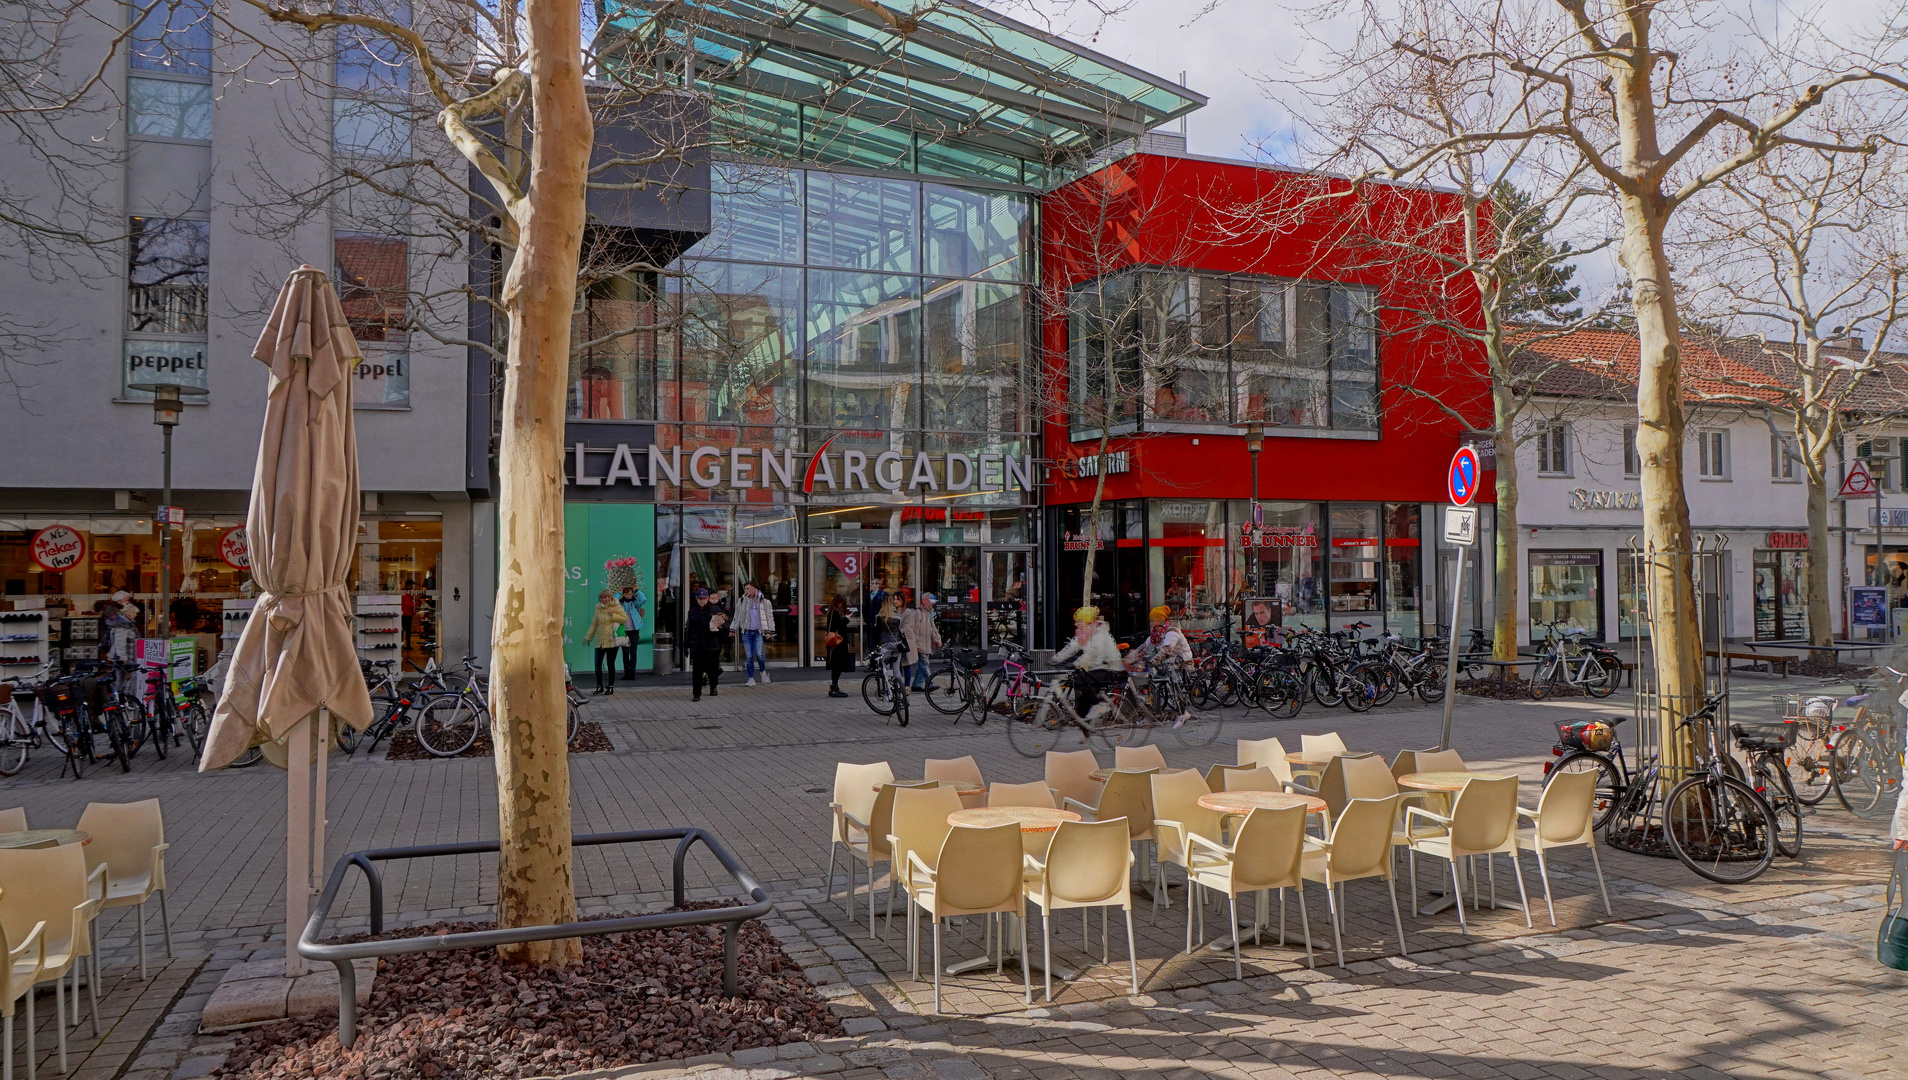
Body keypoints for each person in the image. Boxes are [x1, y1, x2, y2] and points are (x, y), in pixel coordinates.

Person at [1053, 606, 1124, 720]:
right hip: (1097, 667)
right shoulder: (1084, 633)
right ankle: (1085, 715)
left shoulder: (1099, 634)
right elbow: (1072, 647)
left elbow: (1093, 652)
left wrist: (1077, 663)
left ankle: (1100, 708)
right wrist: (1055, 659)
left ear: (1088, 622)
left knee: (1083, 681)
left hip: (1111, 668)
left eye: (1080, 621)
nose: (1076, 624)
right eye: (1076, 622)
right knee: (1079, 681)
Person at [683, 587, 730, 701]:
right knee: (697, 672)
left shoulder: (715, 610)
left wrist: (719, 627)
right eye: (700, 599)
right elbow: (688, 629)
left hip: (712, 645)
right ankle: (696, 693)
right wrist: (686, 645)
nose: (702, 601)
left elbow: (725, 625)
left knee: (712, 669)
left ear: (708, 598)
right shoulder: (692, 611)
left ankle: (713, 687)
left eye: (704, 598)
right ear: (697, 599)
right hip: (697, 645)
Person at [584, 589, 629, 696]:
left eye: (607, 597)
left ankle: (610, 686)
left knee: (610, 664)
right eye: (603, 597)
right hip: (600, 640)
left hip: (612, 640)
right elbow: (594, 623)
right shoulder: (598, 607)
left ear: (610, 598)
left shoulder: (616, 606)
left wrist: (613, 615)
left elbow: (624, 619)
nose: (605, 599)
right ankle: (599, 686)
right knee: (598, 663)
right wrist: (588, 637)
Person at [734, 581, 775, 686]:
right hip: (746, 631)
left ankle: (763, 672)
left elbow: (769, 617)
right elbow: (737, 615)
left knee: (760, 654)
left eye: (748, 589)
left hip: (758, 631)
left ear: (755, 589)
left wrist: (770, 631)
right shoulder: (742, 601)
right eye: (745, 589)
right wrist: (733, 629)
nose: (746, 591)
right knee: (749, 656)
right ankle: (751, 678)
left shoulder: (765, 602)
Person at [899, 590, 942, 691]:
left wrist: (937, 638)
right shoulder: (917, 613)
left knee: (922, 664)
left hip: (926, 643)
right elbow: (912, 629)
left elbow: (933, 627)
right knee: (924, 663)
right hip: (919, 643)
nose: (933, 603)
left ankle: (917, 684)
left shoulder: (930, 613)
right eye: (931, 600)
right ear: (925, 600)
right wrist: (915, 644)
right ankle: (930, 683)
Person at [825, 594, 854, 698]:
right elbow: (838, 626)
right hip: (837, 643)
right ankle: (834, 687)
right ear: (839, 602)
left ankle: (834, 686)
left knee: (836, 666)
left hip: (836, 643)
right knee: (837, 666)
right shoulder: (835, 612)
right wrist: (847, 618)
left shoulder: (832, 611)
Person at [619, 584, 647, 680]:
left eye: (630, 594)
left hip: (634, 630)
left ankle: (632, 671)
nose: (628, 596)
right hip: (623, 630)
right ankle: (626, 671)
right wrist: (619, 591)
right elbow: (613, 601)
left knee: (633, 651)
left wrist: (637, 590)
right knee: (625, 652)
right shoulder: (620, 603)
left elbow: (644, 599)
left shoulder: (635, 603)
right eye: (626, 594)